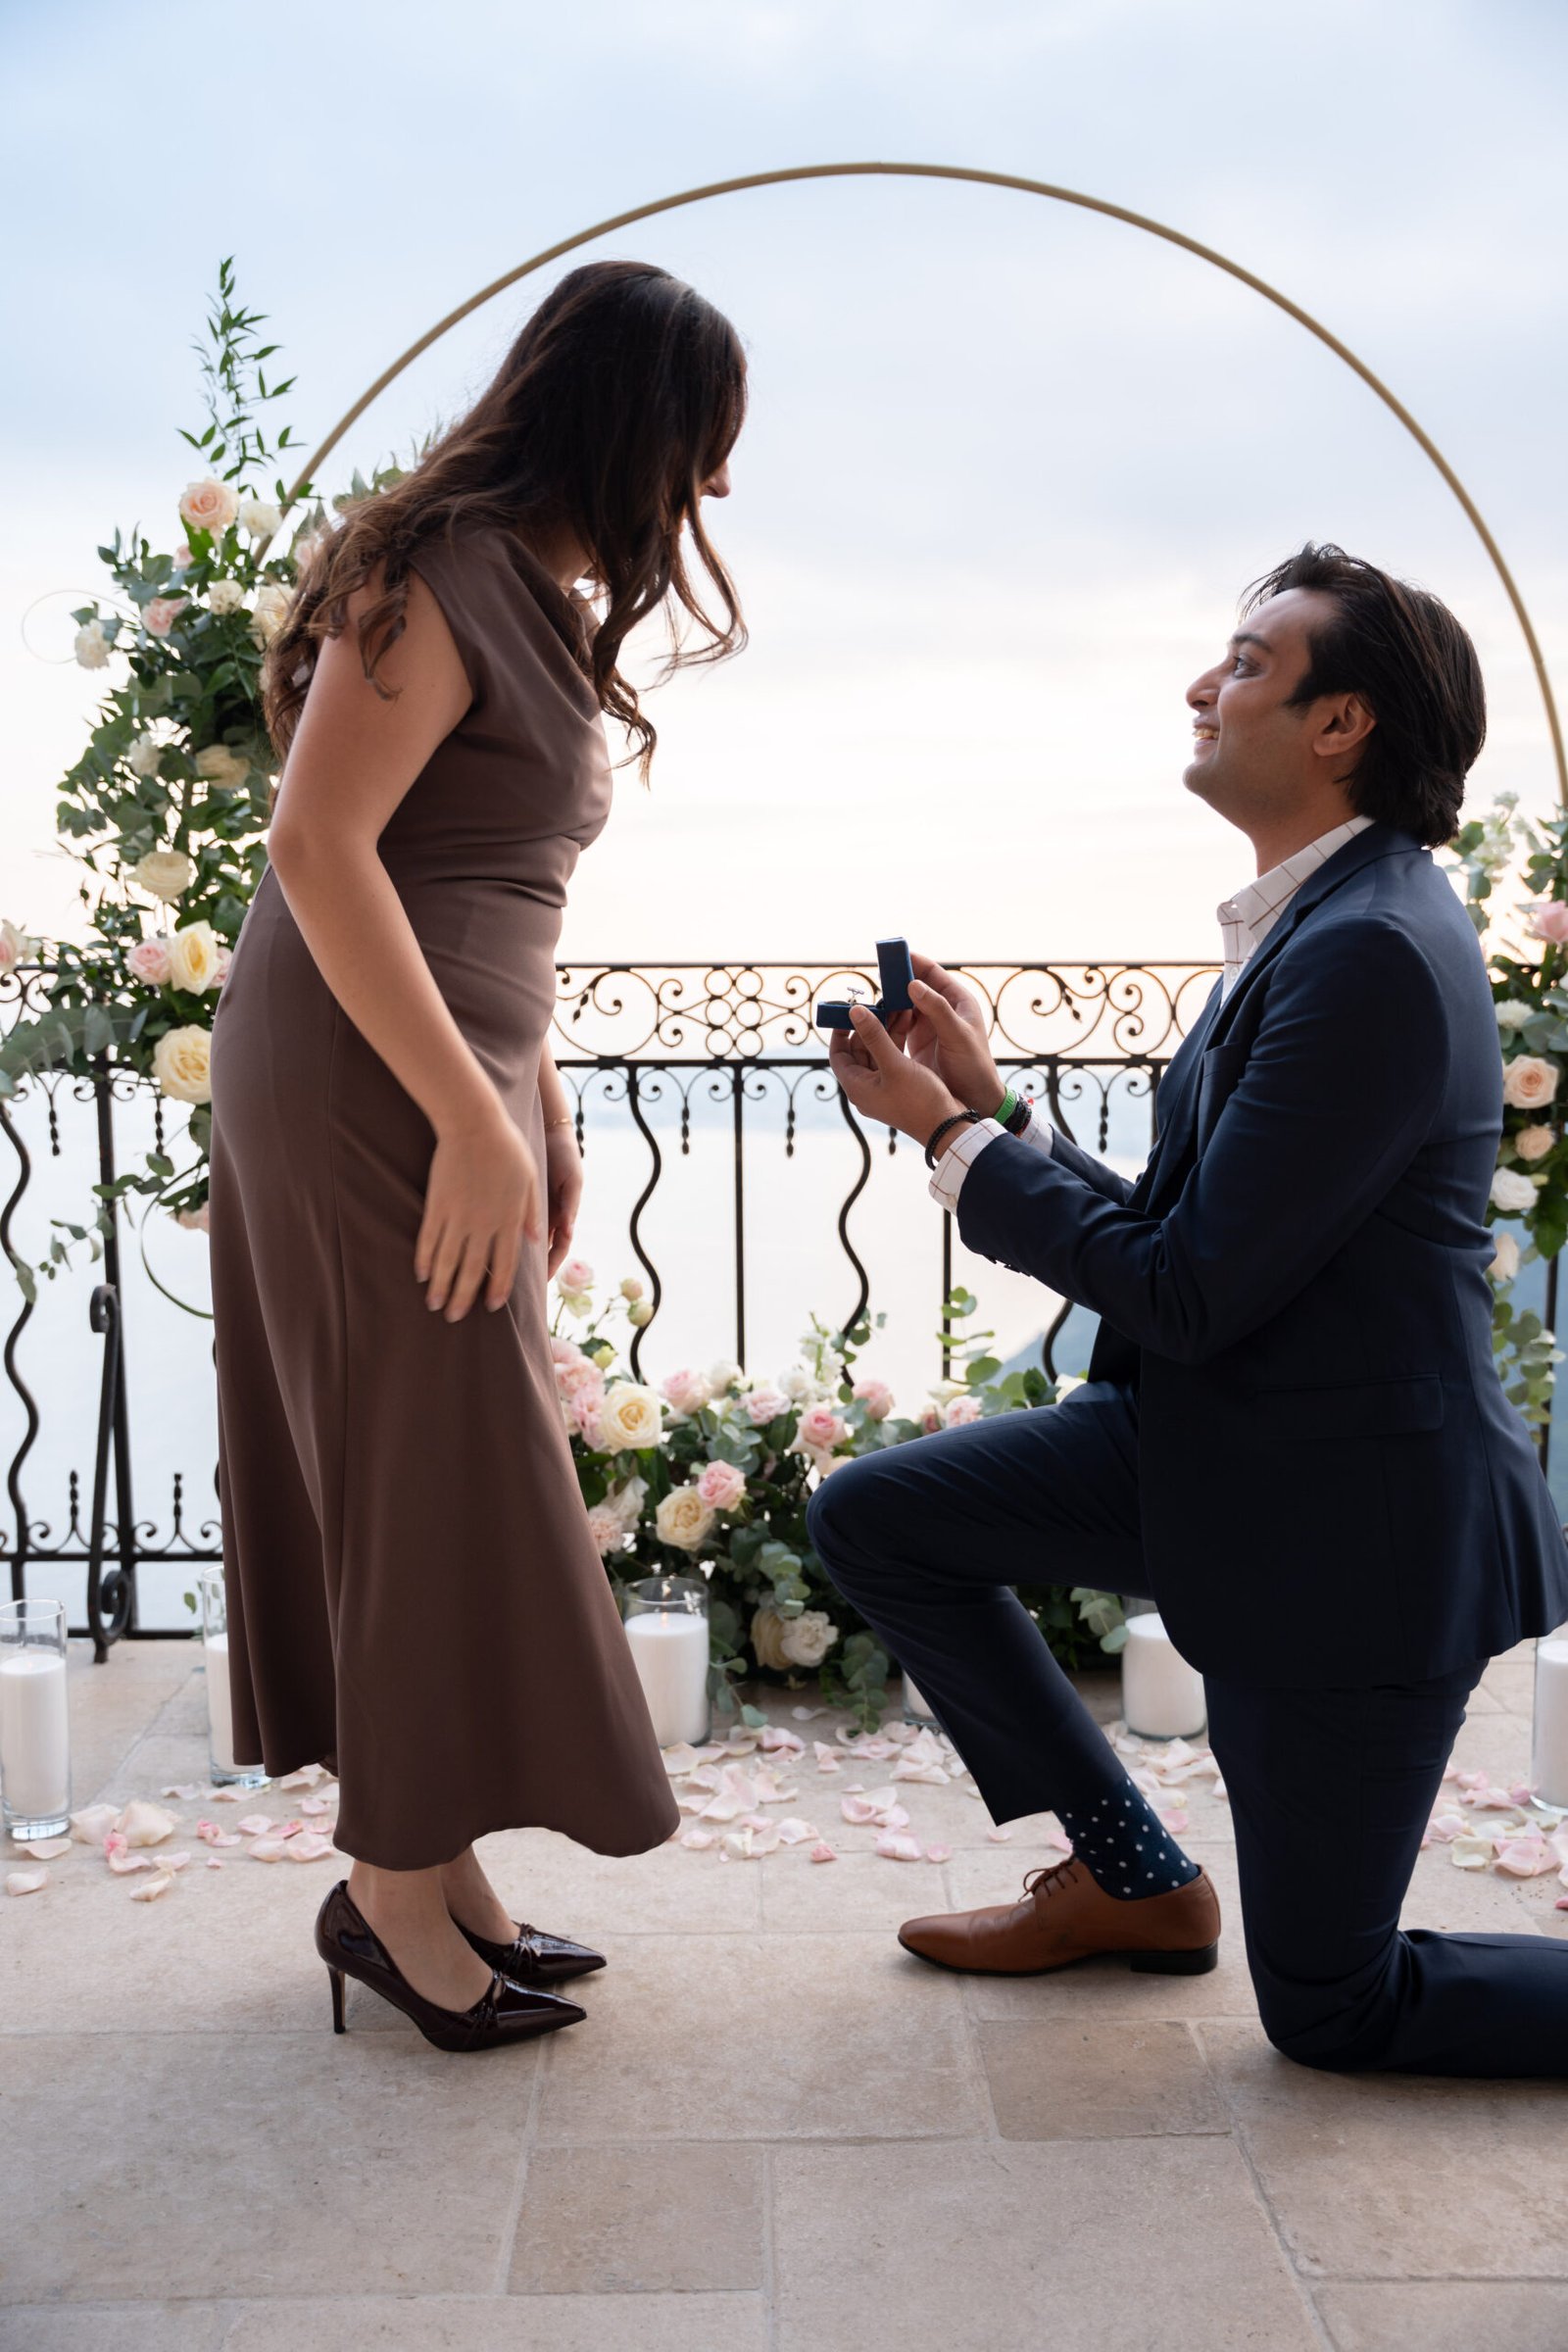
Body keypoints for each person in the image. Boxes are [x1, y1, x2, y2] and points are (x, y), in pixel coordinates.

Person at [810, 544, 1568, 2076]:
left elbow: (1189, 1290)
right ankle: (1133, 1879)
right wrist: (993, 1108)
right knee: (877, 1518)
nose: (1200, 686)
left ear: (1341, 723)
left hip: (1354, 1532)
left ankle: (1161, 1894)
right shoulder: (1317, 919)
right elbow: (1186, 1230)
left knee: (1333, 2009)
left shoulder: (1370, 955)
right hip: (1220, 1452)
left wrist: (949, 1148)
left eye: (1244, 662)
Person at [208, 260, 747, 2054]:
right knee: (419, 1457)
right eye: (705, 447)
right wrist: (460, 1105)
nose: (717, 493)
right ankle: (389, 1891)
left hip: (443, 1065)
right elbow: (324, 848)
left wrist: (537, 1095)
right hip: (367, 1074)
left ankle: (429, 1874)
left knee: (429, 1458)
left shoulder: (506, 583)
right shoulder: (428, 572)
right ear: (629, 426)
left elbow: (486, 881)